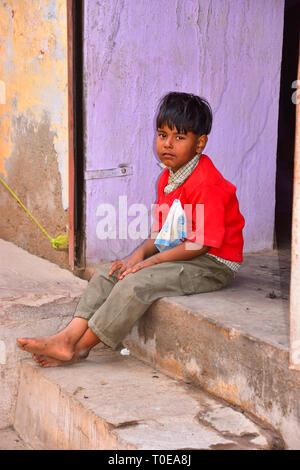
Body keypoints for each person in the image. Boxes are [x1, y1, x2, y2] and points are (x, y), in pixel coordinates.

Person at [17, 92, 245, 367]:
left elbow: (201, 245)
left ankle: (81, 348)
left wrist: (152, 262)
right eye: (162, 135)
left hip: (212, 263)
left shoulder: (207, 183)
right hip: (183, 252)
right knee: (110, 271)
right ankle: (68, 337)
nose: (167, 144)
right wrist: (137, 256)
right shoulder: (167, 177)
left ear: (200, 143)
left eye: (179, 137)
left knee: (137, 282)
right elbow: (164, 233)